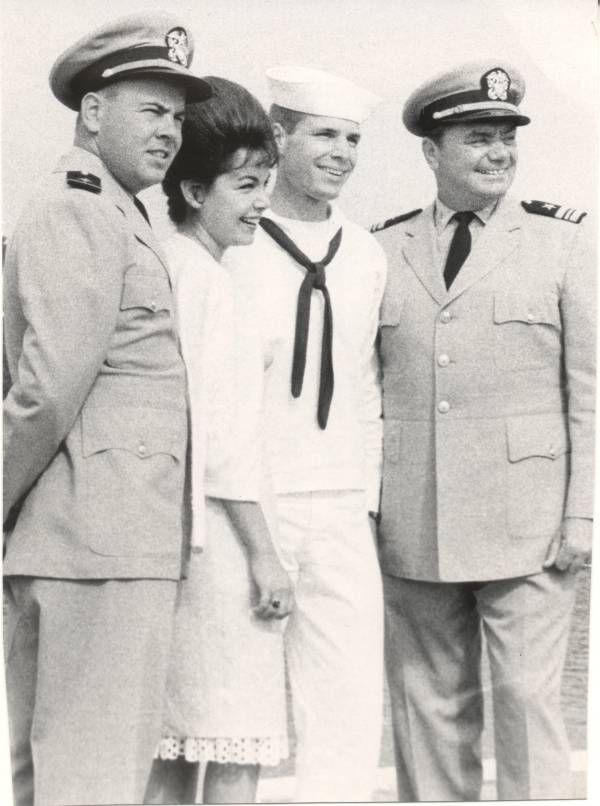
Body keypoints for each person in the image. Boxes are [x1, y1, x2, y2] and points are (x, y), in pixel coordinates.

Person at [2, 13, 211, 806]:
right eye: (151, 111)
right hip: (98, 541)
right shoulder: (84, 206)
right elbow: (48, 387)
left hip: (92, 537)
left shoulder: (114, 207)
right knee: (91, 780)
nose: (169, 133)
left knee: (61, 778)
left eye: (178, 118)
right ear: (93, 112)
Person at [373, 59, 595, 801]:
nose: (499, 153)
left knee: (529, 707)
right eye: (478, 138)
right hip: (416, 516)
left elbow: (589, 394)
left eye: (506, 138)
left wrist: (582, 512)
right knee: (427, 707)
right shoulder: (382, 248)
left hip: (530, 522)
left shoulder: (564, 243)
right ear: (432, 152)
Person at [225, 65, 387, 802]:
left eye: (352, 139)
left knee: (347, 703)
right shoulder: (231, 241)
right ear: (280, 135)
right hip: (249, 502)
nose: (342, 152)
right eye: (325, 134)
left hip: (341, 501)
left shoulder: (367, 254)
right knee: (235, 704)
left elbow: (364, 385)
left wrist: (370, 501)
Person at [144, 76, 293, 806]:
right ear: (196, 191)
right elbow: (224, 435)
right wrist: (266, 554)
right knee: (238, 735)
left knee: (172, 738)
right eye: (245, 185)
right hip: (222, 542)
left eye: (265, 183)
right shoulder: (203, 281)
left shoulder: (173, 262)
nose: (263, 201)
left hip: (178, 537)